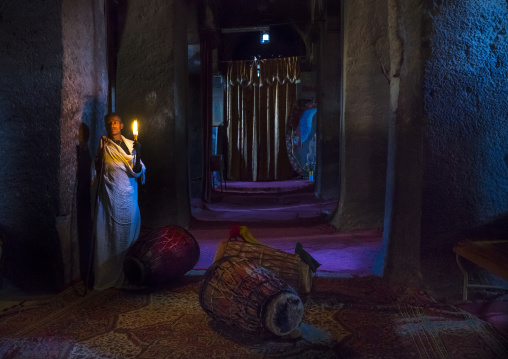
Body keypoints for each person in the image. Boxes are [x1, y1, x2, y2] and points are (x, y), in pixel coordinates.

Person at [91, 113, 145, 290]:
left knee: (128, 234)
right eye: (109, 123)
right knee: (110, 234)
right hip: (110, 199)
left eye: (115, 122)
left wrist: (139, 152)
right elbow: (99, 170)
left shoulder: (131, 145)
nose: (112, 125)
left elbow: (136, 170)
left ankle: (129, 274)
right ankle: (109, 275)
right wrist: (99, 155)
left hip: (128, 197)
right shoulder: (104, 145)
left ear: (121, 125)